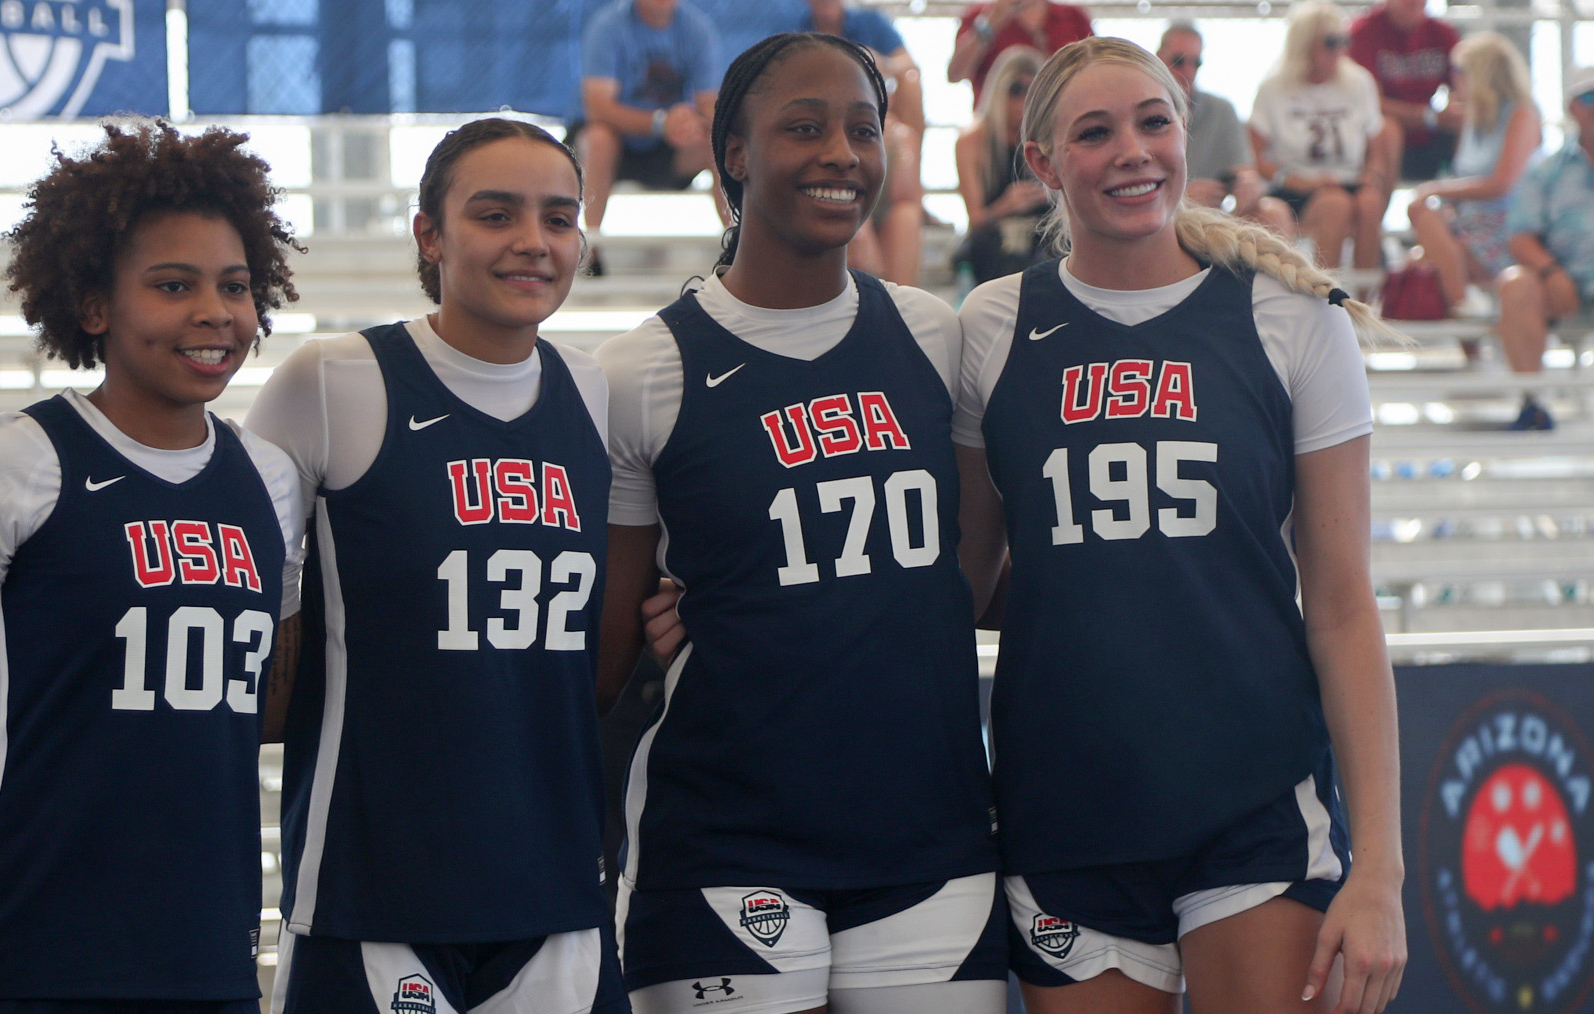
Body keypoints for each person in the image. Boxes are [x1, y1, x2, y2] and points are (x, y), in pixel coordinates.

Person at [956, 35, 1407, 1014]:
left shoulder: (1292, 316)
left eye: (1153, 122)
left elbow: (1341, 608)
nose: (1132, 150)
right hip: (1062, 808)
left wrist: (1380, 868)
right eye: (1094, 132)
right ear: (1041, 163)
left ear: (1184, 132)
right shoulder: (991, 326)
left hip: (1253, 806)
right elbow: (960, 588)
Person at [595, 32, 1006, 1014]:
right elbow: (607, 646)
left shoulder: (933, 334)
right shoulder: (642, 370)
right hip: (721, 840)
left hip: (929, 836)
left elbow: (963, 576)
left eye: (863, 130)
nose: (841, 154)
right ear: (734, 153)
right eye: (805, 127)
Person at [0, 120, 308, 1014]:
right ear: (95, 307)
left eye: (234, 285)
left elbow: (259, 707)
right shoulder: (13, 462)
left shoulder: (270, 480)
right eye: (173, 285)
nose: (215, 311)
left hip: (210, 962)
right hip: (25, 957)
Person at [245, 118, 629, 1013]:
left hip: (556, 892)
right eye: (495, 215)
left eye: (558, 218)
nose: (532, 241)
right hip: (372, 895)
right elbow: (225, 586)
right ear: (430, 234)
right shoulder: (332, 381)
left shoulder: (592, 391)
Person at [1250, 1, 1397, 269]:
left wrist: (1372, 176)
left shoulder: (1358, 82)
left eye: (1344, 41)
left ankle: (1367, 290)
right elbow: (1257, 158)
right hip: (1295, 185)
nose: (1339, 50)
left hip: (1348, 178)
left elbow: (1376, 149)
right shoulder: (1274, 88)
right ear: (1305, 44)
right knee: (1335, 204)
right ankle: (1326, 289)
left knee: (1371, 202)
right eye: (1330, 42)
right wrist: (1302, 182)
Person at [576, 0, 722, 269]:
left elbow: (709, 106)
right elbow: (598, 108)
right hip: (617, 147)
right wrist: (660, 122)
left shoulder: (697, 28)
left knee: (719, 141)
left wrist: (690, 124)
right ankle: (591, 252)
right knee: (599, 138)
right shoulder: (608, 26)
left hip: (668, 147)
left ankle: (738, 244)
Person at [1403, 32, 1540, 314]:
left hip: (1505, 228)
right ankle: (1465, 311)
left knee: (1425, 247)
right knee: (1420, 247)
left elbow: (1502, 185)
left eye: (1458, 70)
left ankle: (1464, 308)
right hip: (1468, 223)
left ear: (1481, 74)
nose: (1452, 77)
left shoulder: (1521, 113)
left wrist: (1435, 189)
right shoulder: (1471, 117)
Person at [1493, 66, 1594, 431]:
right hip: (1564, 281)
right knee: (1516, 284)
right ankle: (1532, 404)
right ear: (1572, 108)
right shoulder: (1547, 170)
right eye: (1590, 98)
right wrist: (1551, 272)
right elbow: (1520, 234)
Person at [798, 0, 927, 285]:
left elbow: (907, 65)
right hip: (827, 132)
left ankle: (895, 300)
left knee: (906, 207)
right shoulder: (791, 24)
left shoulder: (869, 22)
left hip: (871, 127)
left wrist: (873, 62)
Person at [1156, 20, 1294, 238]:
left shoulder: (1221, 110)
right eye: (1179, 61)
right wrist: (1180, 199)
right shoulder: (1144, 114)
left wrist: (1249, 187)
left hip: (1215, 219)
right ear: (1159, 60)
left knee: (1274, 213)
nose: (1188, 71)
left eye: (1196, 63)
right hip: (1161, 217)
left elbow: (1244, 170)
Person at [955, 45, 1052, 284]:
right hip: (994, 241)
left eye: (1031, 91)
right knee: (984, 244)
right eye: (1016, 90)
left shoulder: (1049, 138)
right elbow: (976, 220)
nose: (1023, 100)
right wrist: (1006, 206)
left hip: (1044, 236)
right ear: (999, 90)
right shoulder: (973, 141)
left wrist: (1051, 193)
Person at [1348, 0, 1460, 182]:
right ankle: (1379, 192)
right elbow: (1369, 102)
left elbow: (1465, 83)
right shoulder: (1363, 31)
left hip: (1432, 129)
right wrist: (1425, 116)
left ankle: (1465, 189)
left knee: (1466, 118)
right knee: (1387, 128)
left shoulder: (1440, 31)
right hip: (1389, 128)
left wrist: (1453, 109)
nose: (1415, 4)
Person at [947, 0, 1092, 110]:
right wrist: (991, 23)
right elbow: (955, 75)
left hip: (1058, 120)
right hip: (995, 131)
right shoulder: (979, 17)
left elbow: (1093, 70)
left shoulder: (1073, 17)